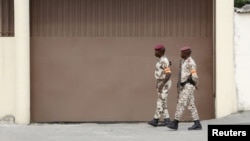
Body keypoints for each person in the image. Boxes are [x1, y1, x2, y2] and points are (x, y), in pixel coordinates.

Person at [166, 46, 202, 130]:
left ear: (186, 53)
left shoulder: (190, 62)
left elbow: (194, 75)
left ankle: (175, 123)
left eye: (182, 52)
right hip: (185, 86)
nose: (180, 54)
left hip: (188, 85)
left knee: (181, 103)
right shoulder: (183, 61)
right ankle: (197, 123)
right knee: (191, 105)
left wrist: (194, 84)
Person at [148, 44, 172, 127]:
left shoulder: (164, 60)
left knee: (160, 101)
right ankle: (167, 120)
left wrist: (162, 83)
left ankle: (155, 120)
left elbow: (168, 74)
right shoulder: (160, 60)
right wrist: (157, 83)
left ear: (160, 51)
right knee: (163, 102)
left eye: (156, 50)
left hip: (164, 83)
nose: (155, 52)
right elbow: (160, 73)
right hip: (160, 82)